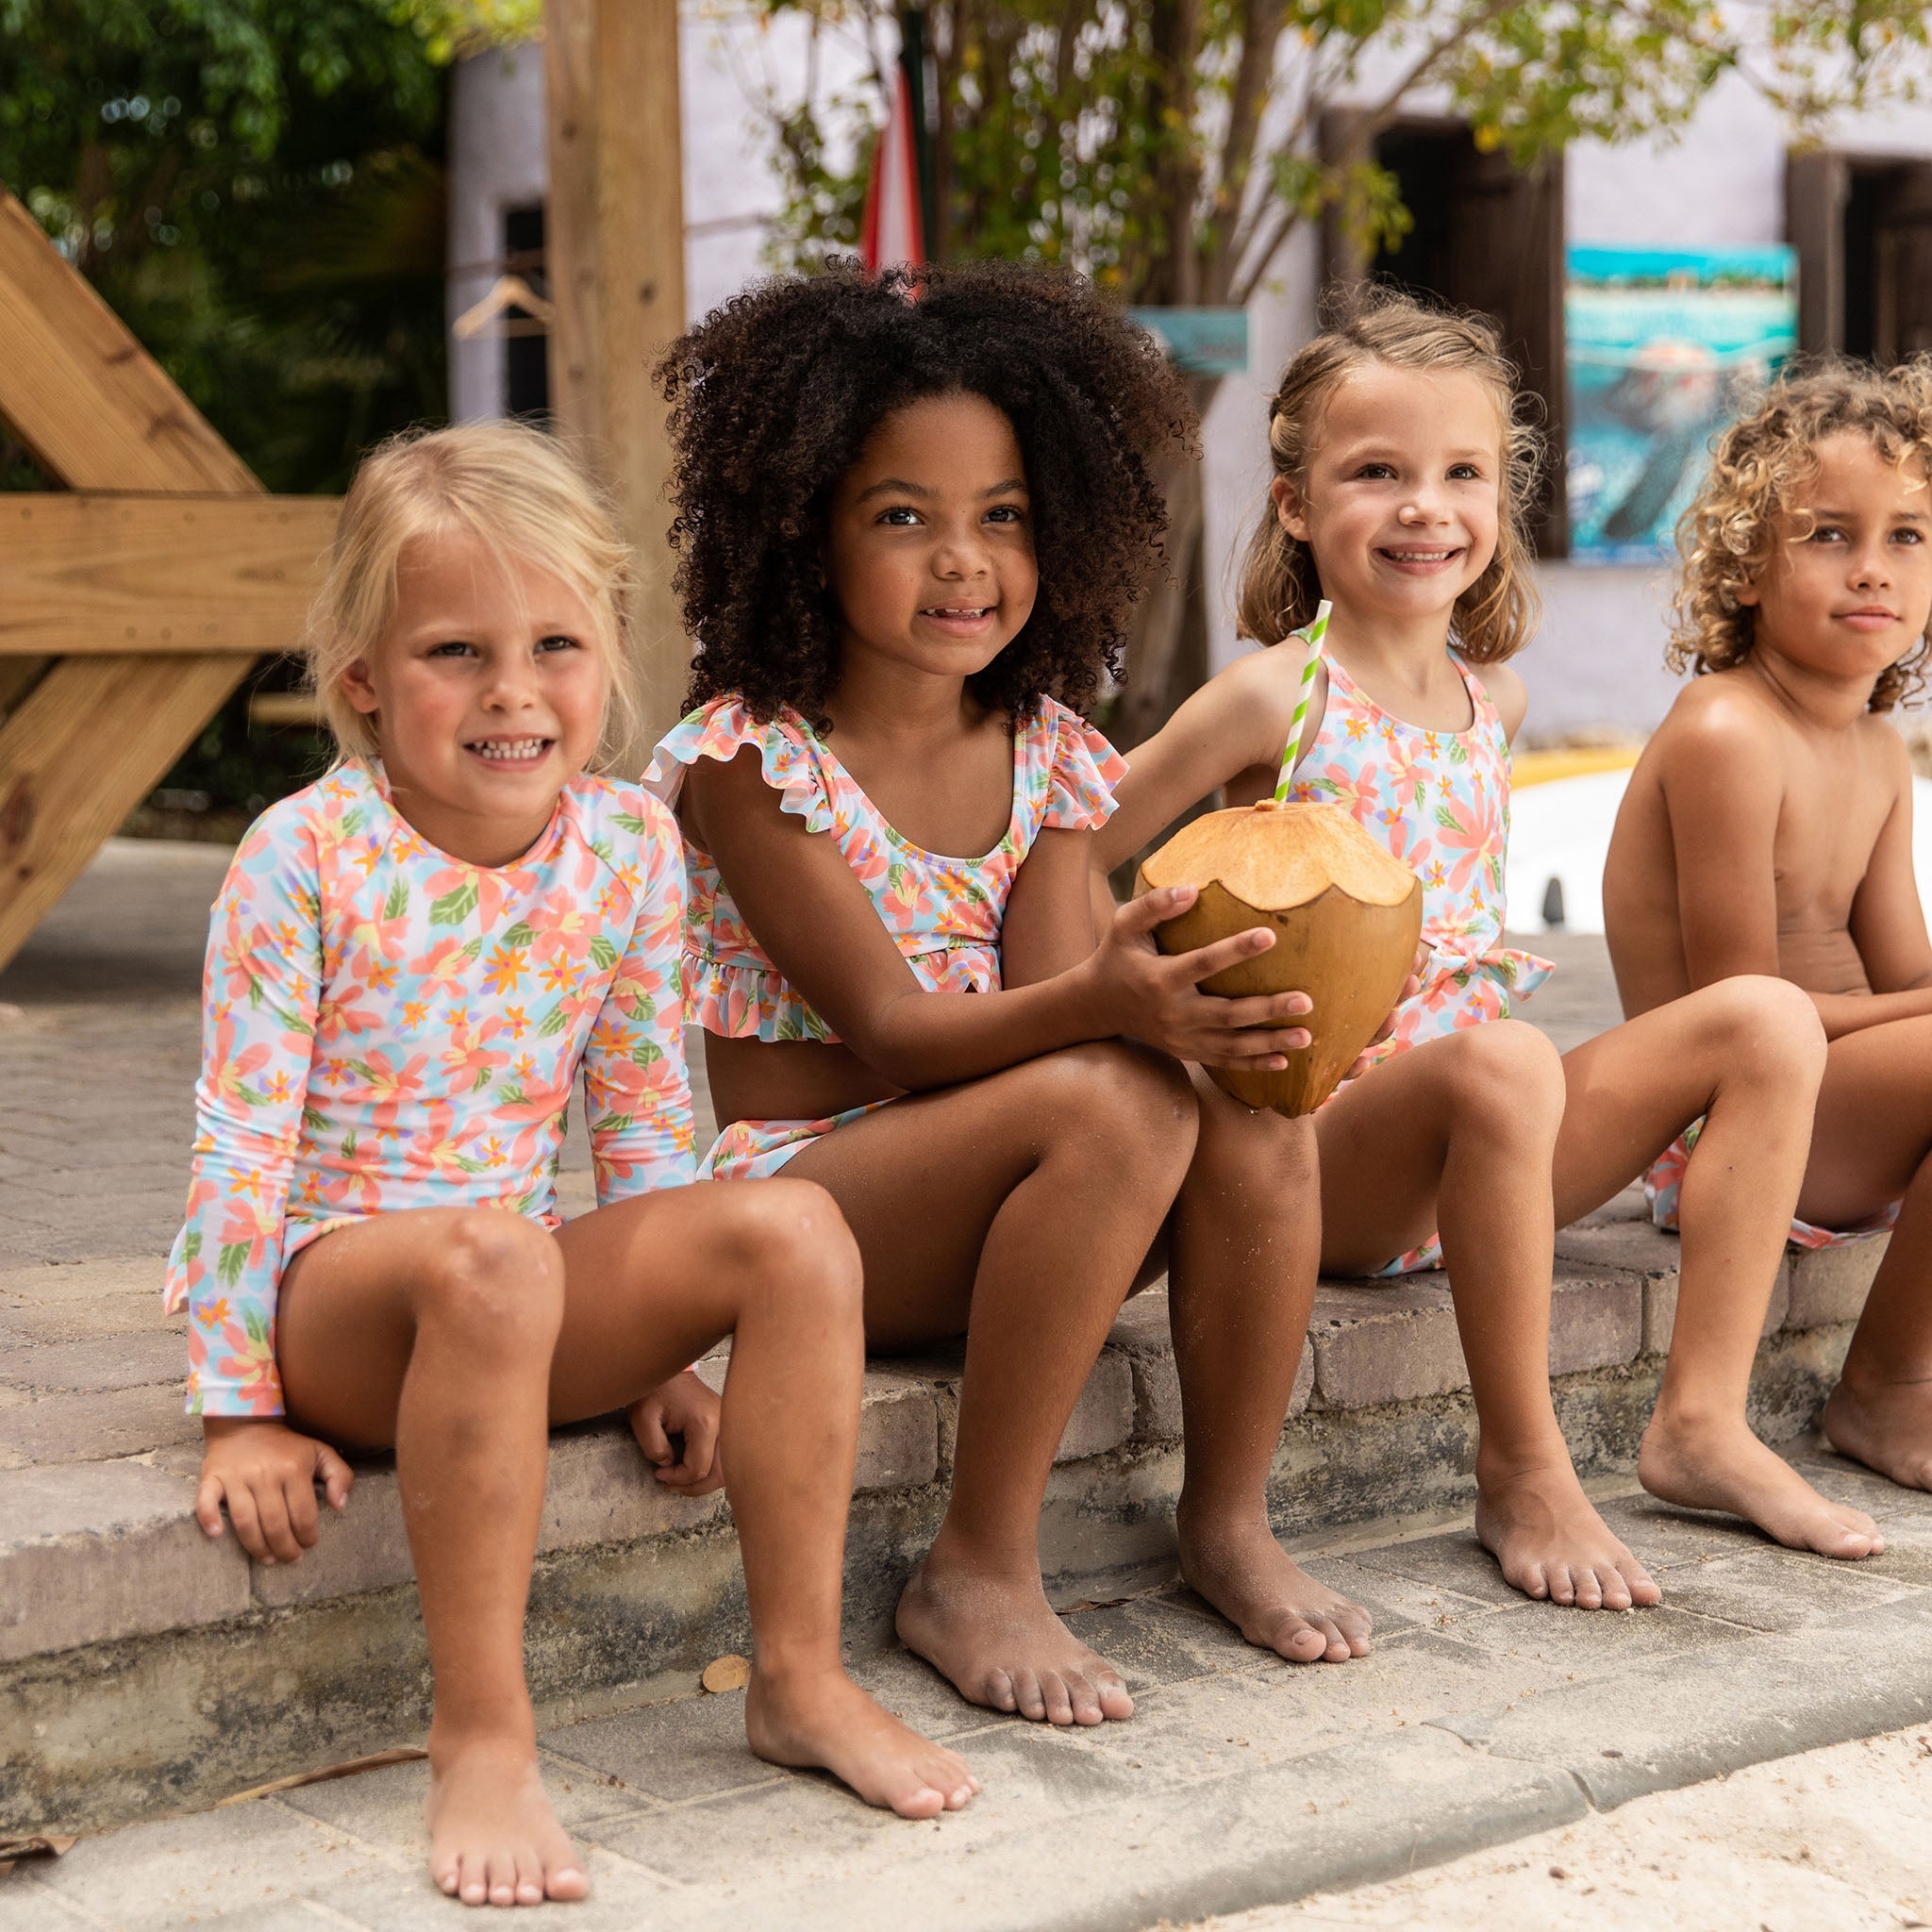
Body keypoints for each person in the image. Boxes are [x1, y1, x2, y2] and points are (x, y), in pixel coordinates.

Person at [166, 423, 978, 1912]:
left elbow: (643, 1115)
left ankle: (796, 1674)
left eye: (554, 643)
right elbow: (239, 1143)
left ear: (608, 651)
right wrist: (238, 1414)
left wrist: (665, 1346)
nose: (512, 693)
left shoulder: (625, 847)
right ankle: (482, 1734)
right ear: (362, 680)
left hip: (526, 1291)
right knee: (495, 1253)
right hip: (345, 1303)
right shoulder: (307, 858)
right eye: (454, 653)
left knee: (789, 1227)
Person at [645, 259, 1376, 1722]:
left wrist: (1194, 1009)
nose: (962, 560)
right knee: (1118, 1088)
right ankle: (976, 1564)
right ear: (805, 533)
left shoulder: (1047, 750)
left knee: (1245, 1106)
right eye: (904, 517)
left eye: (1004, 519)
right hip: (811, 1211)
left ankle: (1228, 1518)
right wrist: (1118, 1005)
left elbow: (1065, 1007)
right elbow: (902, 1034)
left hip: (993, 1201)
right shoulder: (751, 760)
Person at [1091, 291, 1880, 1610]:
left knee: (1765, 1019)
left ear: (1499, 503)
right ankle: (1523, 1468)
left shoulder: (1489, 699)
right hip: (1323, 1150)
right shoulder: (1271, 694)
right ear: (1296, 504)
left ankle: (1703, 1423)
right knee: (1507, 1059)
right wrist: (1116, 1002)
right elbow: (1068, 841)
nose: (1425, 507)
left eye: (1461, 474)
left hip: (1481, 1144)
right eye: (1377, 474)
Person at [1605, 357, 1932, 1496]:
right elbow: (1746, 1013)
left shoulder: (1876, 749)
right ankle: (1884, 1390)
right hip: (1733, 1130)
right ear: (1745, 564)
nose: (1871, 569)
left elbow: (1906, 974)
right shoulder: (1725, 731)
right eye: (1828, 535)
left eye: (1905, 536)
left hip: (1839, 1111)